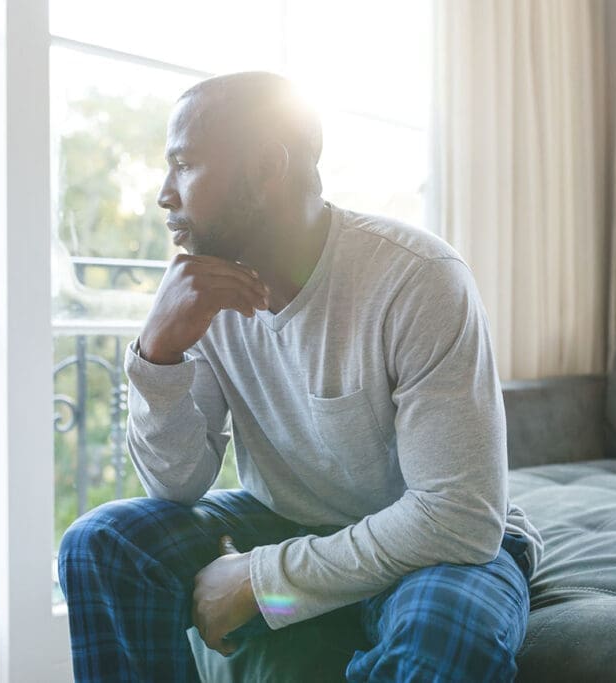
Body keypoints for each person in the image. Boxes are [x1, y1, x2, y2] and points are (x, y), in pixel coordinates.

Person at [58, 71, 542, 683]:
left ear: (266, 168)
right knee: (101, 543)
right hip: (286, 529)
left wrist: (258, 582)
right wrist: (157, 355)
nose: (163, 194)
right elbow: (176, 485)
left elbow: (458, 517)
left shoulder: (417, 278)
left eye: (184, 164)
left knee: (443, 640)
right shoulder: (206, 293)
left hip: (427, 556)